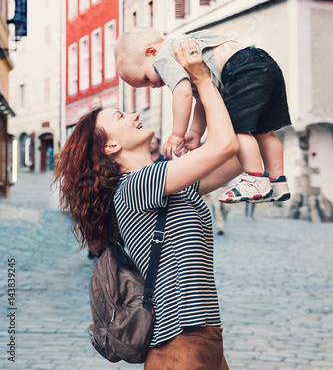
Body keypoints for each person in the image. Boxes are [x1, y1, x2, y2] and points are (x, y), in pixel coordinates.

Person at [54, 40, 242, 370]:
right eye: (121, 116)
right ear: (110, 145)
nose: (135, 114)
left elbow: (238, 157)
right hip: (178, 341)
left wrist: (241, 85)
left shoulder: (163, 180)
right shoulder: (137, 186)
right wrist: (201, 80)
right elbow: (224, 145)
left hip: (204, 335)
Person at [114, 26, 291, 204]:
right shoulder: (186, 46)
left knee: (239, 129)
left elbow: (182, 93)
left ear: (151, 52)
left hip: (239, 70)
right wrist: (196, 131)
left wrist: (177, 135)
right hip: (263, 62)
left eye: (145, 78)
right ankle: (278, 181)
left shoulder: (164, 57)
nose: (152, 86)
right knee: (266, 132)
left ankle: (255, 179)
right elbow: (201, 99)